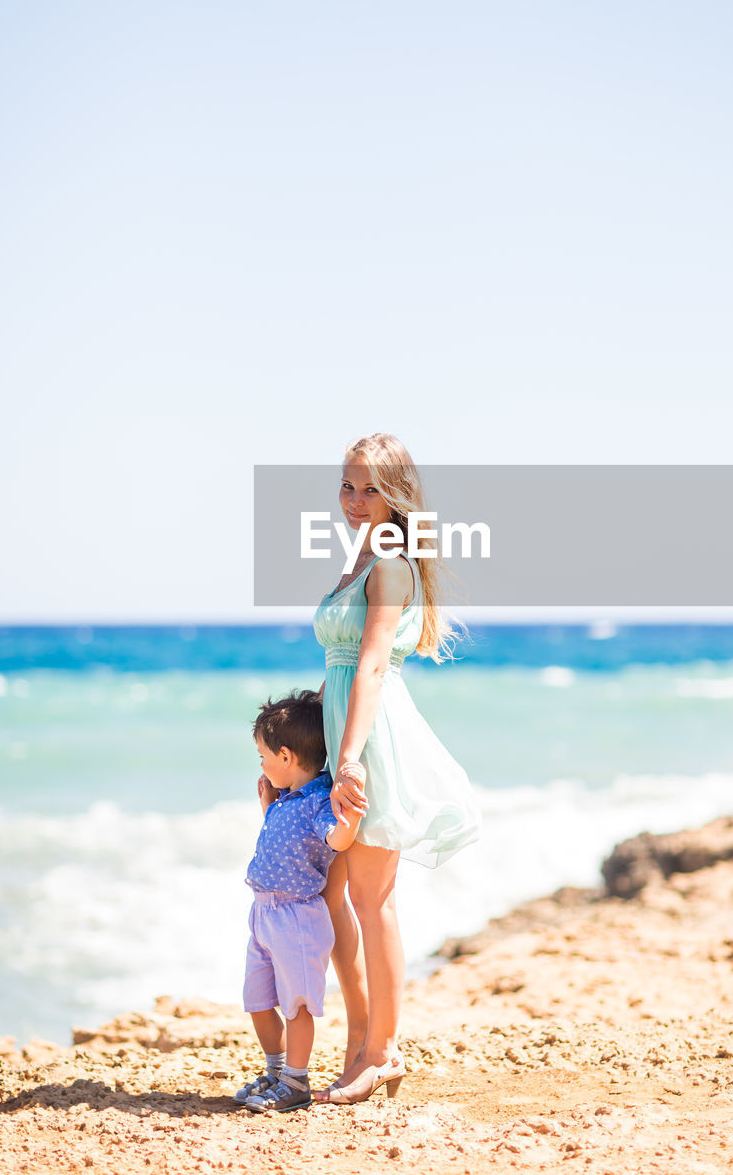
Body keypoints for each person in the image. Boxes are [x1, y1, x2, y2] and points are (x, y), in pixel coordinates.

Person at [312, 433, 481, 1105]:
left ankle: (379, 1052)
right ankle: (361, 1040)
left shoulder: (389, 567)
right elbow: (340, 666)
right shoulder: (360, 556)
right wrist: (303, 750)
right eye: (347, 487)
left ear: (399, 493)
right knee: (333, 898)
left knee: (370, 899)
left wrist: (349, 756)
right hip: (341, 732)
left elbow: (374, 664)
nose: (355, 501)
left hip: (372, 737)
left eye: (370, 488)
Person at [233, 690, 362, 1114]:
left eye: (263, 756)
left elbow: (336, 838)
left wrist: (351, 819)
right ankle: (275, 1071)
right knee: (258, 999)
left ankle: (295, 1081)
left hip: (297, 916)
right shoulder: (287, 797)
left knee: (297, 1004)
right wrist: (269, 807)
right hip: (264, 913)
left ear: (286, 756)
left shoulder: (320, 800)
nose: (262, 765)